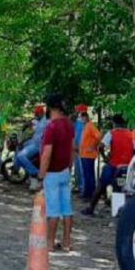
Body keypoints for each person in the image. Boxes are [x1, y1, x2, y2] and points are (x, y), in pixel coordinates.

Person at [38, 94, 75, 252]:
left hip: (52, 173)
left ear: (51, 108)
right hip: (65, 171)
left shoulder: (51, 127)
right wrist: (69, 166)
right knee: (67, 209)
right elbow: (73, 148)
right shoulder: (69, 125)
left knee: (53, 210)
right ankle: (67, 242)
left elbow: (47, 153)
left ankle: (50, 243)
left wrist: (41, 174)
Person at [82, 114, 135, 216]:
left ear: (114, 123)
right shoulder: (131, 134)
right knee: (123, 188)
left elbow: (101, 147)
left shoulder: (111, 133)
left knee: (101, 185)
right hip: (128, 166)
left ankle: (91, 208)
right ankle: (118, 209)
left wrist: (106, 158)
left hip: (114, 164)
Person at [15, 105, 48, 189]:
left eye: (37, 113)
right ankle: (19, 169)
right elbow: (31, 126)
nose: (36, 115)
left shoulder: (47, 121)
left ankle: (34, 172)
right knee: (19, 146)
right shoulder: (38, 121)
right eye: (35, 113)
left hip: (39, 145)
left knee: (20, 156)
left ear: (41, 113)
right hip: (33, 142)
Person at [76, 109, 100, 199]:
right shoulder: (86, 126)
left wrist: (93, 146)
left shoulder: (90, 126)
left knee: (89, 175)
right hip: (84, 154)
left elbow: (98, 136)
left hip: (88, 154)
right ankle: (87, 194)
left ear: (85, 117)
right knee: (87, 175)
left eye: (81, 117)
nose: (80, 119)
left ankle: (90, 194)